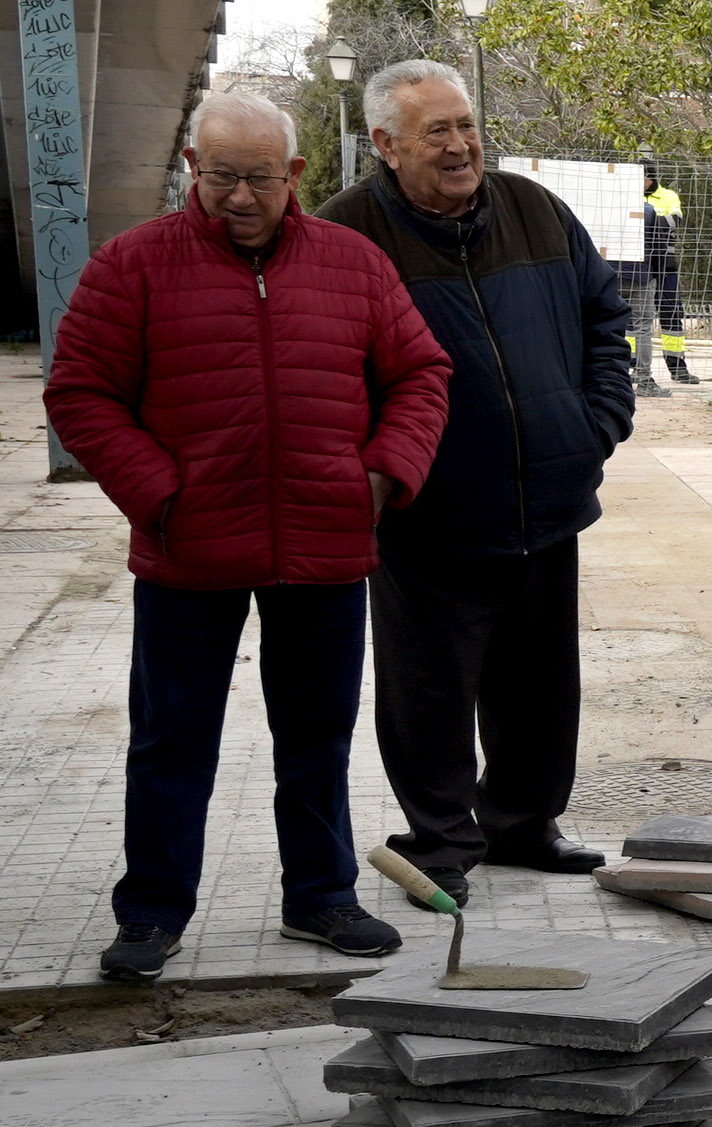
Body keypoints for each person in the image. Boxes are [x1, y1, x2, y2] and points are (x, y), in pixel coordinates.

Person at [47, 95, 449, 979]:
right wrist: (159, 495)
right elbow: (79, 392)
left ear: (293, 176)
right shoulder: (132, 266)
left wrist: (383, 473)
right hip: (188, 551)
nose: (236, 197)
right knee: (170, 739)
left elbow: (421, 371)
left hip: (324, 543)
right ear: (193, 167)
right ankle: (152, 912)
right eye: (218, 176)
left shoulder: (353, 263)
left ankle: (321, 897)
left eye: (257, 179)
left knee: (317, 735)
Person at [320, 61, 636, 900]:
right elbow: (321, 372)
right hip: (428, 515)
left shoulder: (533, 209)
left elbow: (605, 316)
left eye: (466, 125)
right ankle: (442, 841)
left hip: (549, 498)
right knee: (428, 691)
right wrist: (383, 474)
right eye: (438, 132)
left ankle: (525, 825)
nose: (462, 146)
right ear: (385, 145)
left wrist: (596, 423)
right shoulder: (346, 237)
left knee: (538, 685)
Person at [638, 166, 693, 386]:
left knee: (671, 313)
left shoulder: (669, 196)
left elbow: (672, 222)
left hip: (665, 264)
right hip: (639, 263)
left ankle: (677, 367)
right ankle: (634, 366)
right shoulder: (627, 194)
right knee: (636, 314)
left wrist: (644, 220)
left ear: (648, 178)